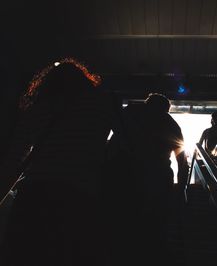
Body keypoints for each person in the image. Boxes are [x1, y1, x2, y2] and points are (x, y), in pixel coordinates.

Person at [0, 58, 114, 266]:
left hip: (35, 194)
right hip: (78, 196)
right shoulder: (101, 106)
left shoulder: (42, 106)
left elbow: (15, 157)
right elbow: (120, 144)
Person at [105, 93, 189, 265]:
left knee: (122, 224)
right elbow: (182, 160)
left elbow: (113, 144)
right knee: (154, 225)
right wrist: (181, 188)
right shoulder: (170, 124)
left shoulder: (130, 114)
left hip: (124, 175)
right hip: (158, 177)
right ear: (166, 109)